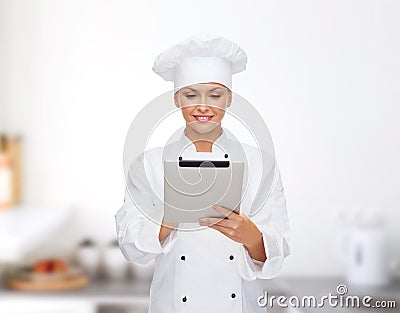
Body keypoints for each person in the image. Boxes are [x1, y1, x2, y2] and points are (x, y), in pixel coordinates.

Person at [115, 34, 291, 313]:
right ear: (176, 99)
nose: (203, 106)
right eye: (191, 94)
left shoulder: (260, 163)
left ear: (229, 99)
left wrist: (251, 237)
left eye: (215, 95)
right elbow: (130, 246)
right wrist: (169, 221)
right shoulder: (148, 164)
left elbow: (277, 254)